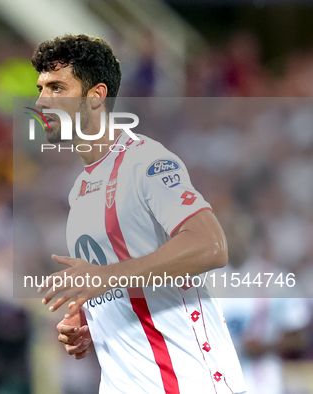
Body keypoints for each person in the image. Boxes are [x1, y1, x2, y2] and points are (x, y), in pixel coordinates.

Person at [31, 34, 246, 393]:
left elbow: (211, 246)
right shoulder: (80, 189)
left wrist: (105, 278)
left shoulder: (145, 161)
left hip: (186, 382)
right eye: (41, 88)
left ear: (96, 96)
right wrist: (89, 322)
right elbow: (117, 281)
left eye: (57, 88)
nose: (40, 101)